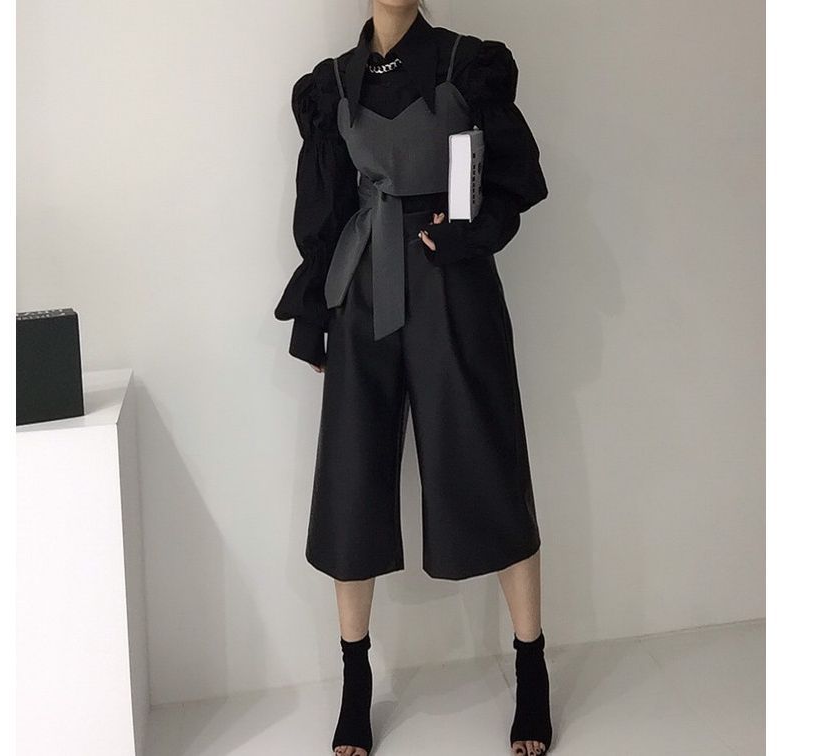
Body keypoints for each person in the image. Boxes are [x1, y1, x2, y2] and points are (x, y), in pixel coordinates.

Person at [274, 2, 552, 754]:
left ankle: (532, 665)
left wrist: (468, 234)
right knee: (351, 478)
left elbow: (509, 179)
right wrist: (316, 312)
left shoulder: (468, 64)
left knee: (488, 463)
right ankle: (355, 679)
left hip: (451, 282)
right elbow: (326, 209)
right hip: (361, 288)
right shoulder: (333, 85)